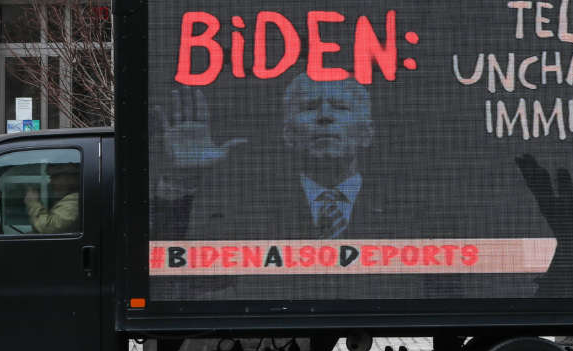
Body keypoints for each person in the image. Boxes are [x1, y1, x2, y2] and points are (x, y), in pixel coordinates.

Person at [154, 75, 400, 240]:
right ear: (288, 135)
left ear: (367, 134)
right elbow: (166, 271)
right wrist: (181, 180)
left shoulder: (407, 213)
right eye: (309, 107)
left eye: (340, 107)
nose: (324, 116)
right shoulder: (247, 216)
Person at [24, 163, 80, 234]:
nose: (51, 182)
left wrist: (33, 203)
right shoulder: (68, 199)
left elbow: (48, 228)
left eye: (55, 177)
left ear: (70, 178)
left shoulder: (74, 202)